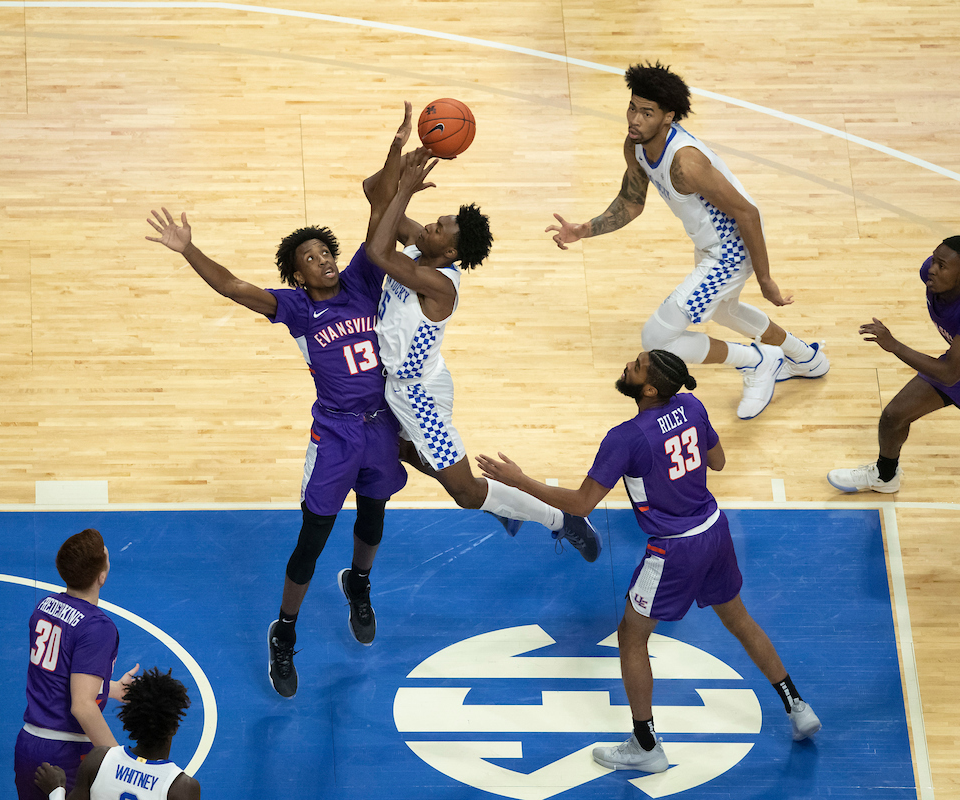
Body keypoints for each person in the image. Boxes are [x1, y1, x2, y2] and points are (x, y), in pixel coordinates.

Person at [145, 107, 426, 698]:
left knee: (374, 518)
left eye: (327, 250)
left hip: (380, 427)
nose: (324, 257)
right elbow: (232, 286)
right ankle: (284, 630)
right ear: (297, 275)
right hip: (337, 434)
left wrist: (397, 152)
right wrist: (189, 249)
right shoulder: (298, 309)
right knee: (313, 539)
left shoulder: (358, 282)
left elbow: (379, 215)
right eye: (312, 256)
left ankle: (361, 584)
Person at [477, 349, 821, 773]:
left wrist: (520, 481)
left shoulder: (626, 437)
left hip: (675, 549)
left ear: (650, 388)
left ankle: (645, 746)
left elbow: (583, 502)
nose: (627, 365)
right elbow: (718, 460)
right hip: (714, 530)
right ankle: (798, 707)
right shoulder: (692, 405)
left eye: (636, 367)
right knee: (740, 621)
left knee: (631, 637)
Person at [545, 62, 827, 420]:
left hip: (730, 251)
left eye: (647, 113)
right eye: (633, 107)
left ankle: (757, 362)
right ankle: (806, 357)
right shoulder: (636, 146)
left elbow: (748, 214)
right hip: (708, 247)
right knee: (726, 310)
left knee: (656, 338)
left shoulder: (686, 163)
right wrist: (585, 229)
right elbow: (632, 203)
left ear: (668, 117)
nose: (635, 119)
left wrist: (766, 279)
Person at [365, 142, 602, 560]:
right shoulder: (424, 247)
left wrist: (404, 192)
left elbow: (377, 251)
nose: (428, 228)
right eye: (435, 222)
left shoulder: (440, 285)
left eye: (438, 228)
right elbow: (373, 192)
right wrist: (398, 158)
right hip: (407, 382)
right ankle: (501, 503)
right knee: (390, 448)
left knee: (466, 492)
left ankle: (559, 518)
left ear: (451, 252)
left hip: (417, 396)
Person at [829, 236, 960, 493]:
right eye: (934, 260)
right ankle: (885, 476)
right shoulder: (930, 273)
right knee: (893, 416)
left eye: (942, 266)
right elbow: (955, 370)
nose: (932, 268)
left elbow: (948, 374)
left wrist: (895, 345)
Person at [14, 528, 140, 800]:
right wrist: (120, 764)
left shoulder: (45, 606)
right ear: (102, 577)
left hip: (29, 743)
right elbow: (82, 706)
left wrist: (111, 688)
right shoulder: (97, 627)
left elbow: (58, 674)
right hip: (66, 753)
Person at [32, 667, 201, 800]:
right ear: (174, 727)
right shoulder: (182, 788)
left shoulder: (98, 759)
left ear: (130, 720)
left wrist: (56, 789)